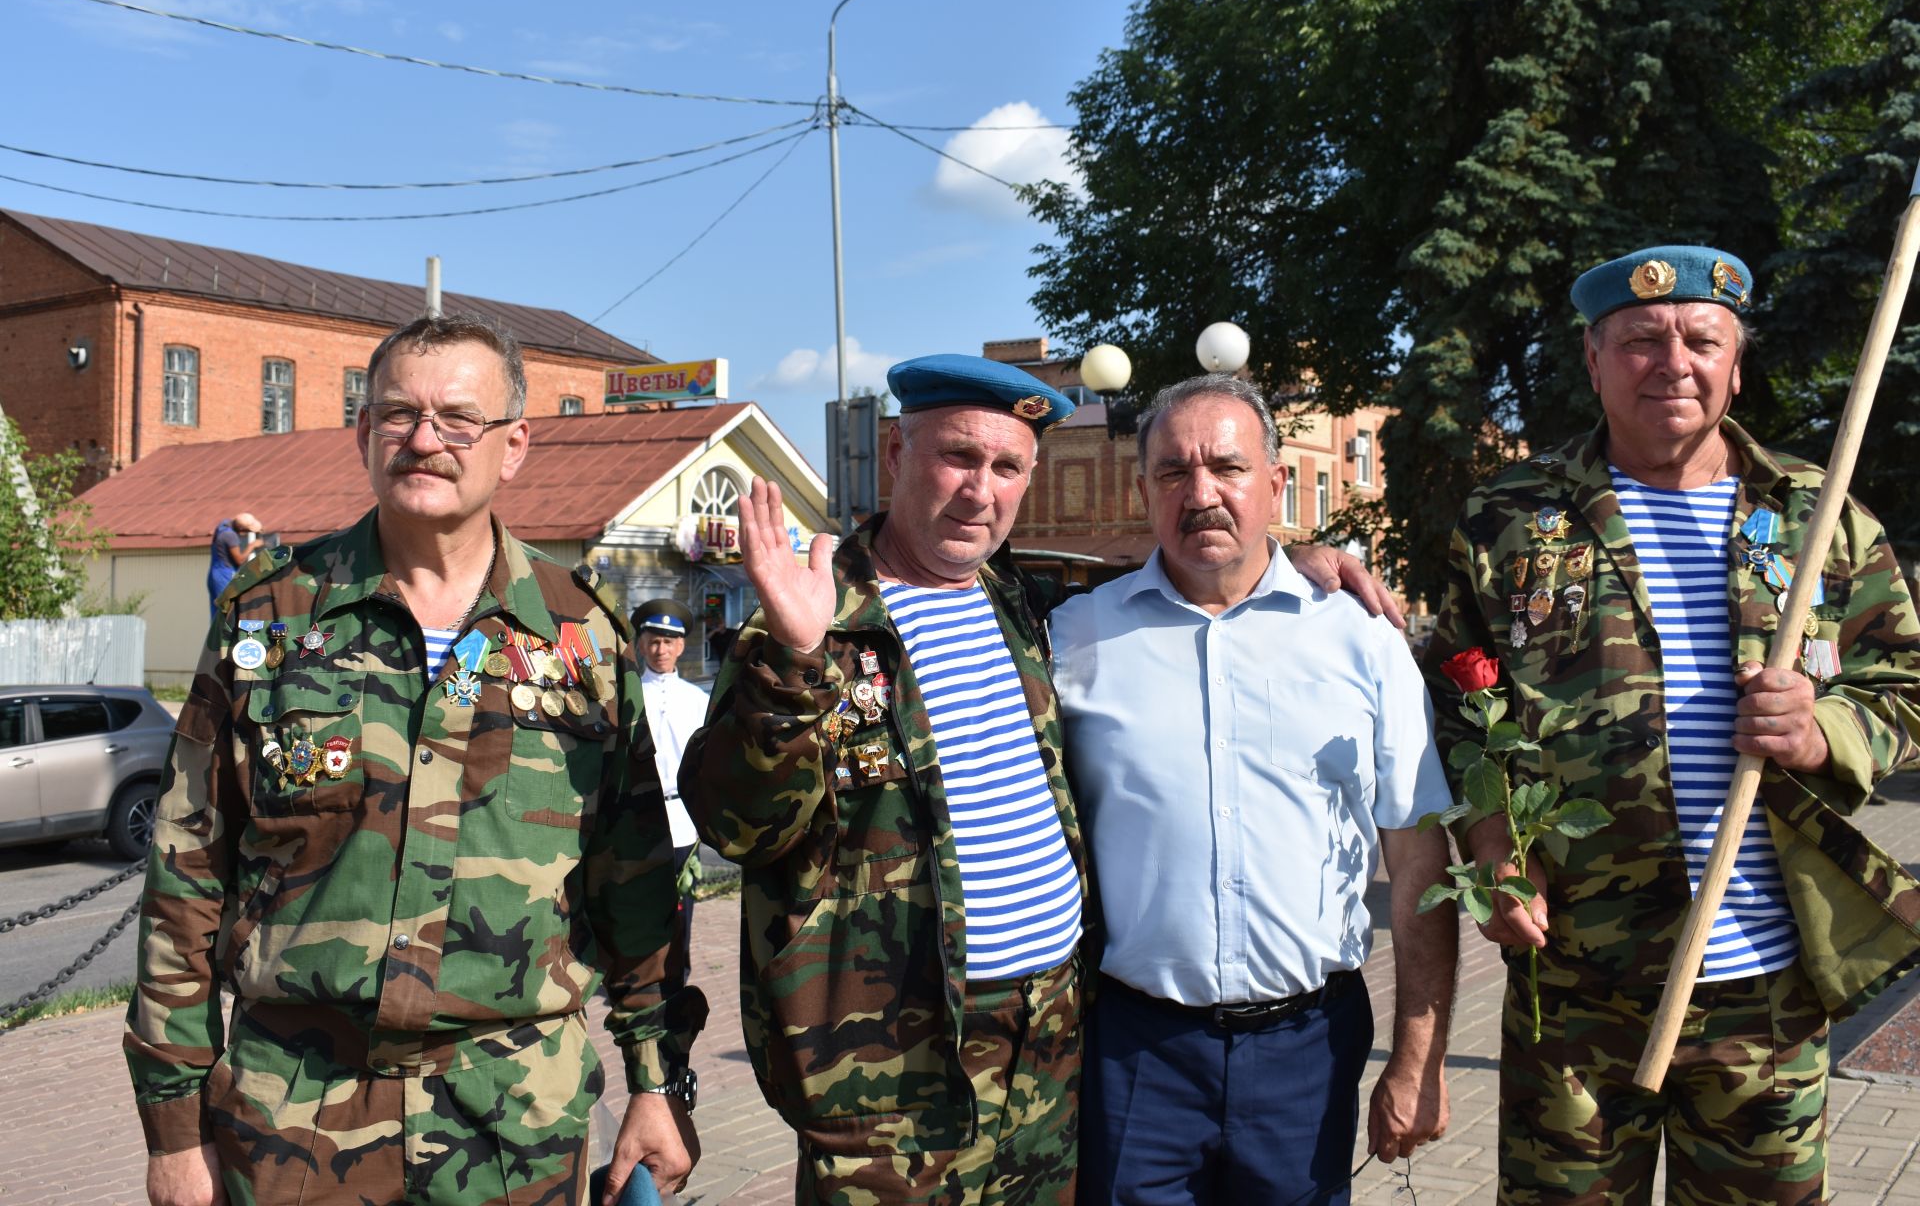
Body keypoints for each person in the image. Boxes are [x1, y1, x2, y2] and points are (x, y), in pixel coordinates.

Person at [683, 353, 1395, 1205]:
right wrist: (795, 666)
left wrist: (1293, 555)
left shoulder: (1023, 608)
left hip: (1047, 1069)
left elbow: (1199, 574)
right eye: (957, 456)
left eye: (1007, 466)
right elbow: (737, 827)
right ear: (899, 457)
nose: (979, 489)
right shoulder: (811, 616)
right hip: (888, 1084)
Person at [126, 312, 704, 1206]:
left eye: (458, 419)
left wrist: (655, 1085)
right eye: (397, 414)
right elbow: (186, 873)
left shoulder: (583, 636)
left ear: (514, 446)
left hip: (513, 1122)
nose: (424, 440)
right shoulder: (266, 620)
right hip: (294, 1119)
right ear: (363, 434)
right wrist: (171, 1130)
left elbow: (634, 887)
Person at [1422, 246, 1920, 1204]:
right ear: (1594, 357)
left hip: (1766, 991)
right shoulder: (1511, 518)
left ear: (1737, 364)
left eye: (1702, 340)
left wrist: (1821, 731)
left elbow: (1906, 686)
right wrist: (1492, 844)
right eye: (1642, 341)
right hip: (1572, 987)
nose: (1673, 363)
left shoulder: (1819, 512)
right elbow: (1452, 708)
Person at [1052, 374, 1457, 1205]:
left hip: (1306, 1050)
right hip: (1136, 1048)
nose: (1201, 494)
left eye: (1228, 468)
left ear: (1277, 483)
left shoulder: (1360, 638)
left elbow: (1420, 864)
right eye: (1173, 472)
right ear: (1143, 491)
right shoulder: (1077, 637)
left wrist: (1421, 1058)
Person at [632, 596, 710, 965]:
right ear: (643, 644)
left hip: (681, 817)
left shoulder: (696, 700)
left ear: (681, 646)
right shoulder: (629, 696)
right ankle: (640, 976)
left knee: (681, 902)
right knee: (639, 901)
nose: (661, 649)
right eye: (654, 641)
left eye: (669, 642)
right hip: (639, 816)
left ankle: (677, 970)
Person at [206, 512, 261, 616]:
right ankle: (223, 632)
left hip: (214, 572)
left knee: (217, 608)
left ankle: (216, 630)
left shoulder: (223, 526)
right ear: (240, 529)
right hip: (224, 574)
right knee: (226, 608)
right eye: (247, 531)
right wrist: (252, 546)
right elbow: (239, 560)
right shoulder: (230, 536)